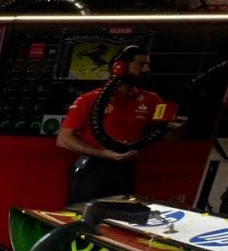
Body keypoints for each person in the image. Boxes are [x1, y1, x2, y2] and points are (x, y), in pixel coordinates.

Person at [57, 45, 169, 204]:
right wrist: (104, 153)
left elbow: (166, 135)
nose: (146, 69)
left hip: (126, 168)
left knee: (119, 216)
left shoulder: (152, 100)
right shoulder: (90, 99)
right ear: (119, 67)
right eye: (140, 64)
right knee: (81, 212)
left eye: (148, 64)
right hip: (93, 167)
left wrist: (175, 127)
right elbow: (64, 139)